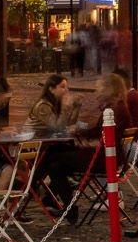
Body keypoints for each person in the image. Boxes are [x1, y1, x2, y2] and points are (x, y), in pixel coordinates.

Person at [26, 74, 93, 206]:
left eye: (67, 87)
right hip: (36, 148)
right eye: (62, 87)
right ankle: (35, 185)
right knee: (64, 157)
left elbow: (68, 125)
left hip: (50, 146)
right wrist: (66, 108)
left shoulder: (55, 104)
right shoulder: (43, 105)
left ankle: (54, 192)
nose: (66, 91)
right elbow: (57, 128)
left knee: (62, 160)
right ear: (51, 89)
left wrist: (76, 107)